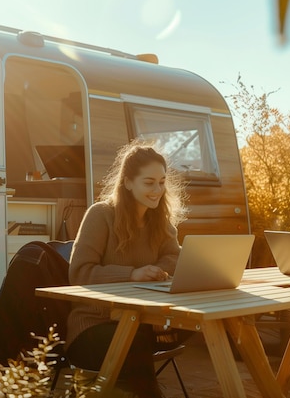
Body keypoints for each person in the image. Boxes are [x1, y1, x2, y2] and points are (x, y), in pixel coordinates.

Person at [65, 141, 187, 398]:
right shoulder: (101, 215)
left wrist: (156, 270)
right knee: (136, 336)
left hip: (142, 323)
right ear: (128, 182)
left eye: (162, 182)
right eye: (149, 182)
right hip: (92, 328)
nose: (158, 190)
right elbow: (80, 273)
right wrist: (131, 274)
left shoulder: (160, 222)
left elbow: (174, 258)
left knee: (195, 327)